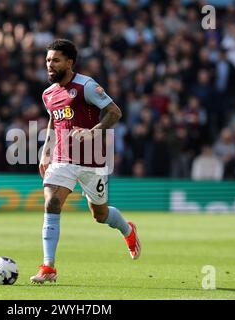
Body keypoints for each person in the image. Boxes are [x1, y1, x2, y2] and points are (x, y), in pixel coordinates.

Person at [30, 39, 141, 284]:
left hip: (93, 161)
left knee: (99, 215)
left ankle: (127, 230)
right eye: (48, 60)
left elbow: (115, 112)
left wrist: (95, 131)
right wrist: (46, 151)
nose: (50, 65)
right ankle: (48, 267)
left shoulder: (86, 86)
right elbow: (54, 121)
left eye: (55, 60)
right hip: (62, 159)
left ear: (69, 63)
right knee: (51, 203)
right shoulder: (48, 94)